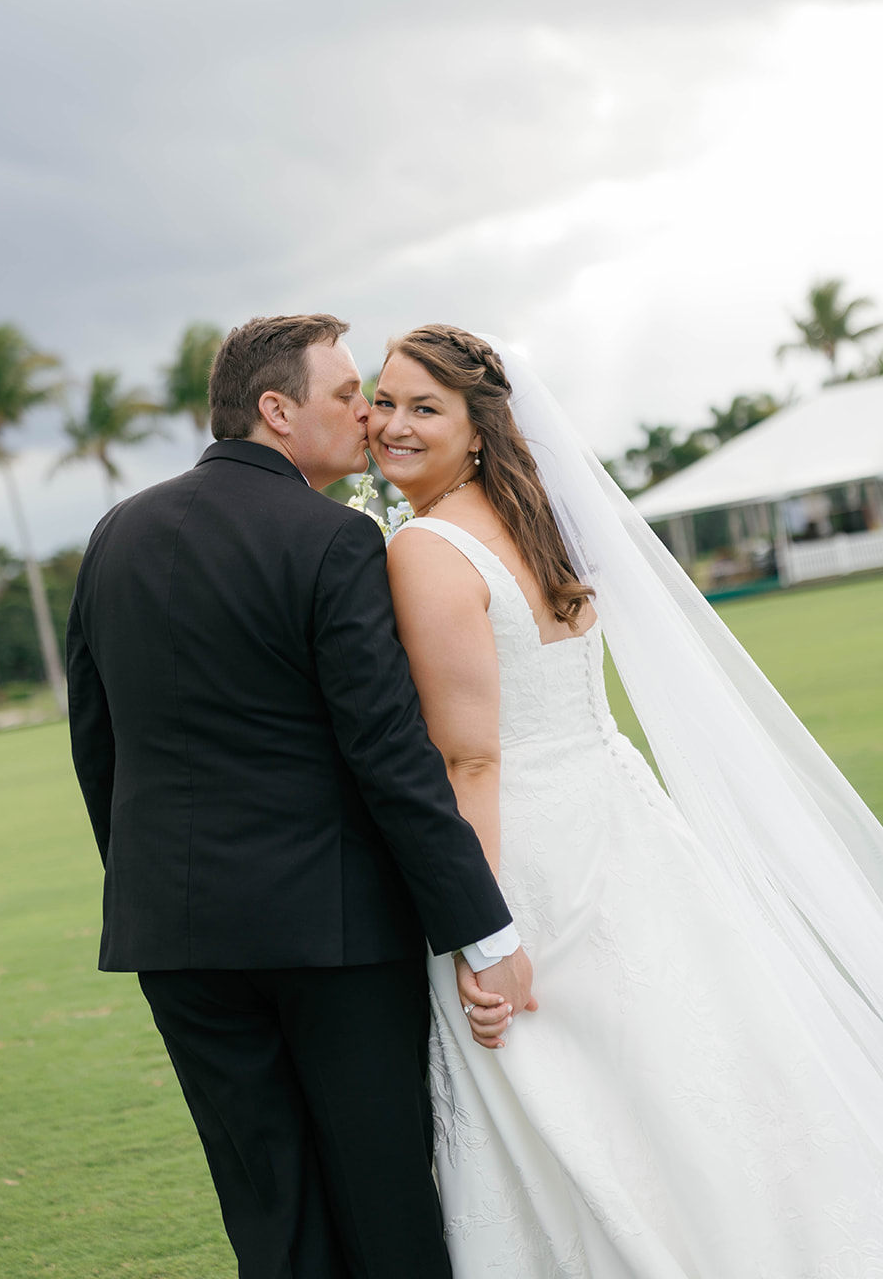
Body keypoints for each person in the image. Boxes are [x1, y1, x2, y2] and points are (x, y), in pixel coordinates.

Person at [370, 323, 883, 1278]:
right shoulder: (542, 515)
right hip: (620, 815)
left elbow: (469, 761)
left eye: (424, 407)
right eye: (382, 401)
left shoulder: (425, 547)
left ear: (478, 427)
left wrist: (483, 933)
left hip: (527, 850)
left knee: (576, 1094)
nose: (391, 424)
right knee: (688, 1066)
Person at [67, 313, 534, 1279]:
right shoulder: (336, 540)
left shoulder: (115, 534)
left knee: (268, 1210)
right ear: (277, 411)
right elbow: (391, 757)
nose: (366, 414)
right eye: (346, 394)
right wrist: (482, 933)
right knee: (386, 1204)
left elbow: (97, 747)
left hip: (177, 937)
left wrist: (159, 888)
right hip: (334, 938)